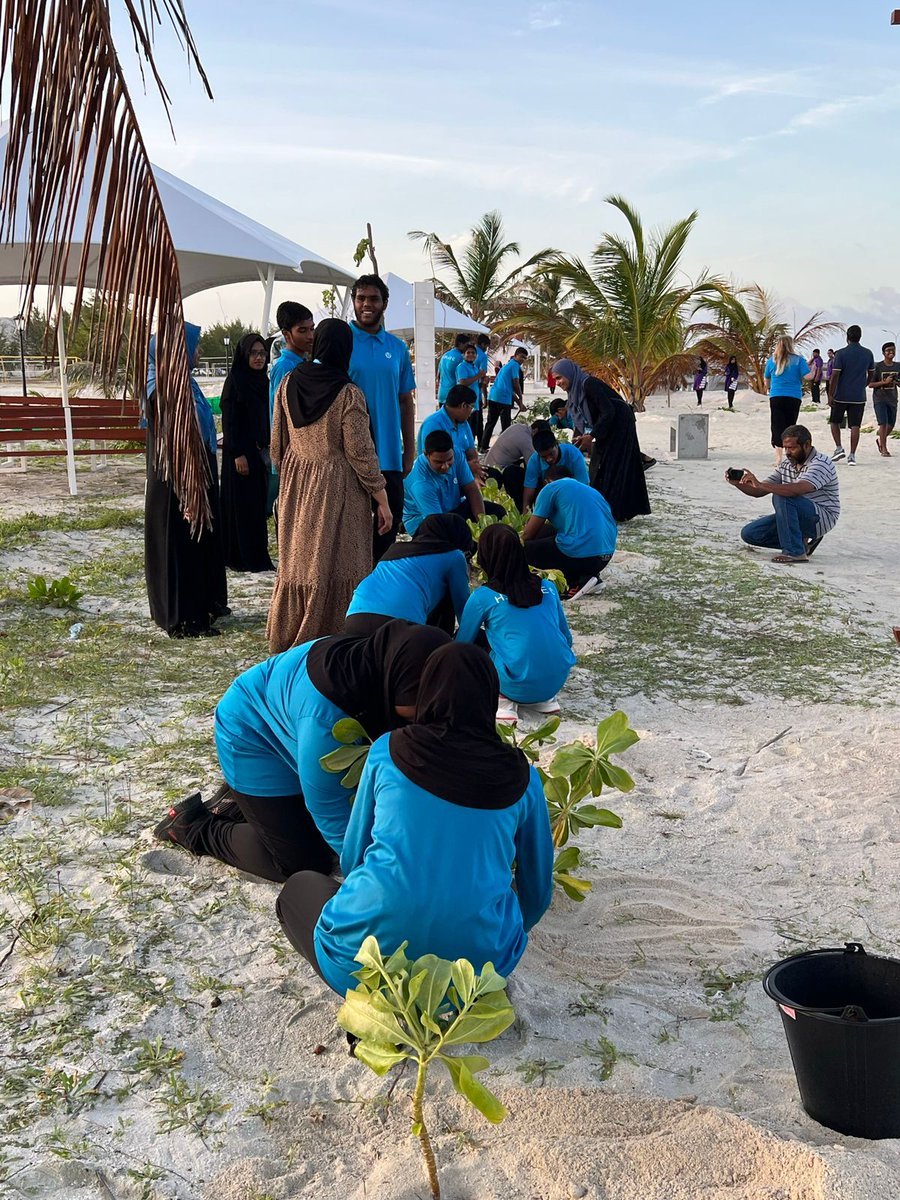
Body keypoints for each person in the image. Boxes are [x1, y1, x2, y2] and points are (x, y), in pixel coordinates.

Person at [274, 642, 555, 998]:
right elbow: (537, 890)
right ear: (488, 699)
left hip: (364, 966)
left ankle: (372, 1000)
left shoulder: (388, 751)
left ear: (428, 693)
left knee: (299, 888)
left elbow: (354, 856)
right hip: (474, 978)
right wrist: (504, 936)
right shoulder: (524, 778)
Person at [154, 621, 450, 880]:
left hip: (292, 732)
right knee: (303, 860)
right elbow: (330, 810)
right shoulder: (328, 718)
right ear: (398, 684)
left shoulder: (376, 663)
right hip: (250, 735)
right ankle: (194, 826)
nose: (426, 713)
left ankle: (243, 803)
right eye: (420, 701)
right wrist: (376, 877)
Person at [267, 319, 392, 653]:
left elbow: (277, 444)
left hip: (297, 481)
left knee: (299, 560)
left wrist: (295, 473)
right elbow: (361, 452)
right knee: (342, 561)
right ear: (345, 349)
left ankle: (290, 631)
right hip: (338, 487)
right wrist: (382, 498)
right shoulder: (348, 393)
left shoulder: (288, 382)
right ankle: (335, 632)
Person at [144, 322, 228, 638]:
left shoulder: (183, 384)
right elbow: (173, 442)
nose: (199, 352)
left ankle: (200, 608)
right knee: (179, 545)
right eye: (193, 346)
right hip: (176, 479)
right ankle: (183, 617)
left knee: (196, 544)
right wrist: (187, 486)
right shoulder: (164, 388)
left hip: (195, 472)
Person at [457, 523, 575, 724]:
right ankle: (542, 697)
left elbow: (462, 645)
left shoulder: (483, 597)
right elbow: (567, 637)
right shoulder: (548, 587)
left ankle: (504, 699)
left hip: (513, 684)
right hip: (556, 680)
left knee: (476, 641)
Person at [348, 275, 416, 559]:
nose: (366, 304)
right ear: (353, 301)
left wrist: (409, 450)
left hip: (388, 455)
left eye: (373, 299)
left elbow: (405, 401)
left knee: (386, 530)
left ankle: (379, 595)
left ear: (384, 304)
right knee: (353, 531)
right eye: (361, 298)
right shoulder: (341, 341)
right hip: (351, 454)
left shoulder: (397, 348)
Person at [551, 357, 650, 522]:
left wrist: (592, 435)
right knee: (600, 465)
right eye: (555, 379)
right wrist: (579, 439)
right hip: (608, 424)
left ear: (569, 373)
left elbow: (608, 410)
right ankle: (609, 509)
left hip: (619, 422)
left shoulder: (588, 384)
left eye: (560, 377)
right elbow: (581, 419)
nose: (558, 382)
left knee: (613, 465)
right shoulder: (574, 392)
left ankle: (615, 511)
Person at [344, 513, 473, 637]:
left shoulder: (394, 550)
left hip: (355, 616)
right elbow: (465, 611)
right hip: (399, 626)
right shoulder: (454, 556)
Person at [727, 424, 840, 564]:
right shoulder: (787, 464)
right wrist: (738, 483)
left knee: (782, 495)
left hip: (821, 517)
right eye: (785, 448)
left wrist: (761, 484)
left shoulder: (821, 463)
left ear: (807, 445)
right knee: (750, 534)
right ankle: (801, 544)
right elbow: (759, 492)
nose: (787, 452)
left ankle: (795, 552)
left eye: (792, 448)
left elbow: (798, 489)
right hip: (794, 513)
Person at [220, 333, 274, 573]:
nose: (259, 358)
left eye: (262, 353)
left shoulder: (263, 381)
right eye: (253, 353)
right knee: (242, 507)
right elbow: (230, 422)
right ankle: (240, 557)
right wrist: (237, 454)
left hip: (259, 452)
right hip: (240, 453)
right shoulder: (236, 380)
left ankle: (257, 555)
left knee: (257, 507)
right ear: (243, 354)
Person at [523, 467, 618, 600]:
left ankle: (574, 582)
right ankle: (587, 576)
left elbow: (528, 535)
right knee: (546, 532)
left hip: (582, 555)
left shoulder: (550, 488)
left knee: (524, 551)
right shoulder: (589, 490)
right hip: (604, 556)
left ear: (546, 481)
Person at [267, 302, 315, 517]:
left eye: (312, 329)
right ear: (287, 334)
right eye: (302, 331)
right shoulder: (285, 366)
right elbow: (280, 415)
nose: (310, 336)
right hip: (291, 453)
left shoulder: (305, 362)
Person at [403, 429, 499, 534]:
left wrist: (483, 524)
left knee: (496, 511)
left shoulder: (457, 454)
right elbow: (438, 523)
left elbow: (471, 489)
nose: (445, 466)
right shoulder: (421, 484)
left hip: (451, 510)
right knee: (463, 536)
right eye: (438, 462)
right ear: (426, 455)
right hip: (425, 522)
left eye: (449, 460)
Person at [828, 325, 875, 464]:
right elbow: (871, 373)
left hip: (841, 394)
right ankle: (852, 455)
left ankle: (839, 448)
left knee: (835, 421)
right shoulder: (868, 353)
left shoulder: (841, 353)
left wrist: (831, 394)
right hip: (858, 396)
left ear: (847, 337)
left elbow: (835, 375)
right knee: (855, 425)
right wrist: (864, 384)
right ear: (860, 337)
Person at [417, 384, 483, 482]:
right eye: (471, 408)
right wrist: (467, 468)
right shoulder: (433, 424)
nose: (471, 413)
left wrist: (475, 469)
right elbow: (435, 461)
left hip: (463, 471)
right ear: (463, 406)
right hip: (440, 474)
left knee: (494, 476)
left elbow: (471, 450)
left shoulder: (463, 423)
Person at [764, 336, 813, 464]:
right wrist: (814, 369)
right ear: (791, 345)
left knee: (776, 424)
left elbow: (766, 379)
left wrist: (769, 389)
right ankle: (790, 454)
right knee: (790, 425)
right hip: (793, 396)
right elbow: (808, 377)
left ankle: (778, 457)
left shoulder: (772, 360)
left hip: (776, 396)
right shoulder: (799, 360)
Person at [483, 419, 547, 511]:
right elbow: (534, 466)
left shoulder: (519, 427)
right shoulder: (526, 441)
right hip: (497, 470)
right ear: (535, 431)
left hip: (490, 462)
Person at [521, 426, 589, 511]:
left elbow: (583, 487)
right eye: (544, 457)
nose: (549, 459)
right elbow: (529, 490)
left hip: (571, 492)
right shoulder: (534, 460)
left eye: (551, 454)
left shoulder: (574, 454)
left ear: (557, 444)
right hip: (547, 492)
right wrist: (526, 514)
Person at [480, 346, 528, 450]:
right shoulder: (515, 366)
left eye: (525, 358)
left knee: (490, 423)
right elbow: (515, 383)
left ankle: (483, 446)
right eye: (521, 357)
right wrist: (520, 398)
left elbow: (509, 390)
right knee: (506, 425)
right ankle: (506, 448)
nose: (522, 360)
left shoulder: (508, 365)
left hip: (494, 396)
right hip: (502, 398)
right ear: (515, 355)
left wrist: (519, 403)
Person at [869, 341, 898, 457]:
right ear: (883, 353)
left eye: (892, 350)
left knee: (891, 425)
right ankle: (884, 448)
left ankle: (881, 440)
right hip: (879, 399)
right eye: (888, 351)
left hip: (893, 398)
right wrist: (884, 382)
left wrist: (895, 381)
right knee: (883, 423)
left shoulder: (898, 366)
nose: (891, 352)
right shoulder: (878, 366)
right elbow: (870, 384)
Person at [455, 343, 483, 442]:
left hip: (475, 404)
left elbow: (475, 384)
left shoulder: (474, 368)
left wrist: (483, 381)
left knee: (473, 430)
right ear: (463, 355)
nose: (471, 354)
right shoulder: (462, 367)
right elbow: (463, 383)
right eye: (468, 352)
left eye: (473, 353)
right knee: (466, 430)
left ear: (476, 355)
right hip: (465, 404)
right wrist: (478, 376)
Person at [438, 334, 469, 404]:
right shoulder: (461, 358)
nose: (467, 348)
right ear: (461, 344)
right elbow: (463, 380)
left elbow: (439, 376)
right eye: (466, 345)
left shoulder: (444, 355)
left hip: (442, 393)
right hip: (453, 396)